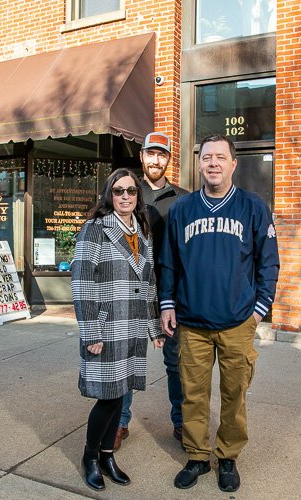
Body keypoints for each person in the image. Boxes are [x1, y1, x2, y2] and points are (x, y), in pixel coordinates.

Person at [158, 134, 279, 493]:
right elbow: (168, 263)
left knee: (234, 393)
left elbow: (269, 263)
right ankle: (197, 457)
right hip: (192, 323)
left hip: (237, 322)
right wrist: (167, 303)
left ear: (233, 164)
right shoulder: (182, 209)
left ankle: (227, 456)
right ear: (198, 164)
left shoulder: (252, 207)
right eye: (206, 157)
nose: (213, 163)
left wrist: (259, 310)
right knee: (192, 395)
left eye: (220, 157)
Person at [71, 168, 164, 491]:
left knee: (122, 392)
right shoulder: (95, 229)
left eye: (131, 191)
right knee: (108, 399)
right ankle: (90, 457)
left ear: (138, 196)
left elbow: (149, 281)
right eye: (118, 191)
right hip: (107, 326)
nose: (125, 196)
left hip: (133, 325)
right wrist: (91, 333)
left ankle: (108, 455)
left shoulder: (142, 231)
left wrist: (154, 329)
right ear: (109, 195)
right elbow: (82, 283)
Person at [114, 132, 189, 451]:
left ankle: (181, 423)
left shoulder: (185, 198)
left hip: (170, 293)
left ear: (168, 159)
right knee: (126, 360)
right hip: (131, 291)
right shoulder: (127, 193)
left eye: (162, 155)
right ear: (141, 156)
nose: (156, 160)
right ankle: (119, 423)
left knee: (176, 363)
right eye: (151, 154)